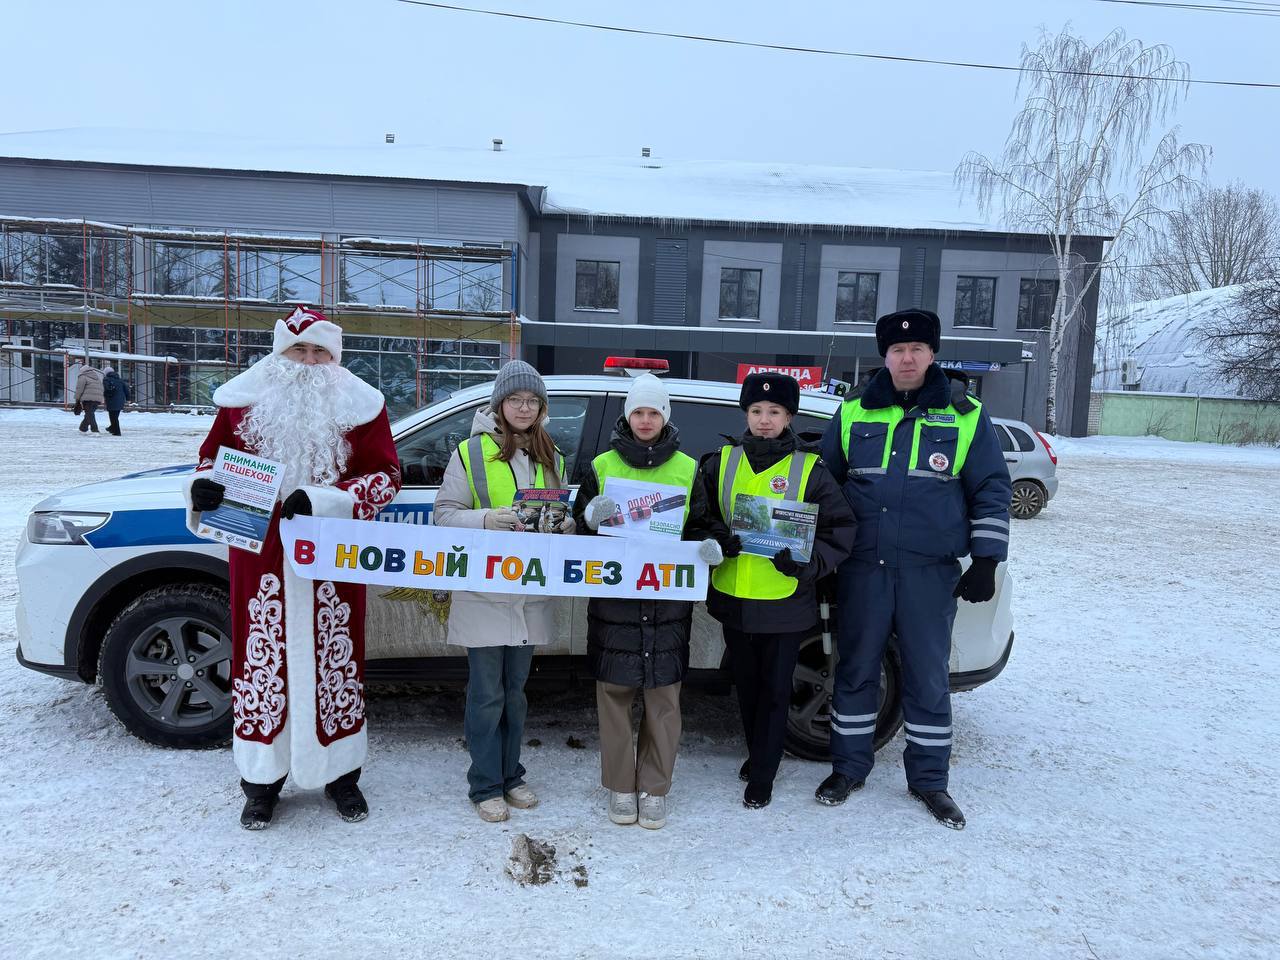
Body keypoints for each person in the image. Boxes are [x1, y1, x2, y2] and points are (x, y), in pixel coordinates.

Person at [181, 307, 402, 830]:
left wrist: (326, 501)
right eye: (298, 351)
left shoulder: (362, 405)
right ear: (279, 354)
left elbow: (386, 476)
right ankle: (261, 782)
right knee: (262, 663)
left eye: (319, 352)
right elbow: (208, 462)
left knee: (335, 662)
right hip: (260, 559)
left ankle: (342, 773)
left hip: (331, 559)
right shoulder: (240, 402)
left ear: (334, 357)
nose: (308, 362)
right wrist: (204, 488)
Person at [815, 309, 1012, 829]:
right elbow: (826, 485)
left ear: (932, 355)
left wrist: (987, 558)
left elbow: (991, 486)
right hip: (862, 571)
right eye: (898, 350)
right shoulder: (854, 409)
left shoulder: (965, 413)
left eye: (917, 350)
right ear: (885, 356)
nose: (907, 358)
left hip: (930, 573)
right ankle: (848, 768)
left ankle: (929, 781)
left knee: (927, 678)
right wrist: (826, 555)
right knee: (856, 672)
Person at [687, 372, 855, 809]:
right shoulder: (720, 461)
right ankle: (759, 752)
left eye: (774, 412)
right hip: (733, 596)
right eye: (757, 411)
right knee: (746, 686)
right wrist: (715, 538)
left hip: (784, 602)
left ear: (789, 417)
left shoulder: (809, 467)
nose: (764, 420)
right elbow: (700, 518)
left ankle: (763, 772)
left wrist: (807, 562)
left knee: (776, 689)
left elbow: (841, 528)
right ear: (746, 413)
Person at [573, 374, 723, 830]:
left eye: (653, 412)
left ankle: (654, 788)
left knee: (663, 700)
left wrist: (711, 546)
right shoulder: (600, 466)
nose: (644, 420)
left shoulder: (687, 467)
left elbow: (702, 524)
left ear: (665, 417)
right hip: (615, 601)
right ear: (627, 415)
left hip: (667, 605)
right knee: (614, 696)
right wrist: (589, 518)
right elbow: (579, 539)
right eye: (638, 411)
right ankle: (621, 786)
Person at [433, 359, 573, 823]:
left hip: (529, 590)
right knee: (487, 692)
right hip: (485, 590)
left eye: (532, 401)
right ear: (499, 403)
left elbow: (559, 515)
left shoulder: (553, 455)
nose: (524, 407)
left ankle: (512, 774)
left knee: (516, 691)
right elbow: (444, 514)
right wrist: (486, 519)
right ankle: (485, 784)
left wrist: (565, 525)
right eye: (515, 399)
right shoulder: (469, 452)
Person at [73, 362, 104, 434]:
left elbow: (79, 388)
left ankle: (95, 430)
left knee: (89, 414)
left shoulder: (83, 376)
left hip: (88, 399)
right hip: (97, 398)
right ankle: (83, 428)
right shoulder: (96, 377)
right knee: (90, 413)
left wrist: (77, 399)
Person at [102, 365, 131, 436]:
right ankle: (112, 428)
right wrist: (128, 398)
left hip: (111, 400)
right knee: (115, 416)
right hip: (121, 401)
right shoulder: (120, 380)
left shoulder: (106, 379)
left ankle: (117, 432)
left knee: (113, 417)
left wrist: (105, 396)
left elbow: (106, 389)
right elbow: (126, 390)